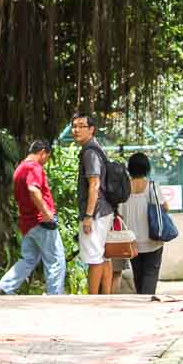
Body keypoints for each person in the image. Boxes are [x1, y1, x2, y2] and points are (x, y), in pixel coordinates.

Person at [0, 140, 65, 295]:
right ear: (43, 152)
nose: (46, 161)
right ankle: (55, 295)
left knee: (29, 259)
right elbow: (33, 189)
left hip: (27, 222)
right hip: (41, 221)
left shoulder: (19, 168)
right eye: (47, 157)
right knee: (56, 260)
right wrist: (46, 212)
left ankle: (4, 286)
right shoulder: (34, 167)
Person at [72, 113, 114, 295]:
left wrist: (88, 215)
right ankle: (106, 297)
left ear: (91, 129)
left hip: (96, 212)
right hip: (104, 210)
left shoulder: (90, 152)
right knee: (103, 256)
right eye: (74, 126)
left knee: (94, 257)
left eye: (81, 126)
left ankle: (93, 299)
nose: (75, 130)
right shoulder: (97, 149)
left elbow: (94, 184)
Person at [117, 152, 169, 295]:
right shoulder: (152, 186)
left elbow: (119, 213)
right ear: (146, 168)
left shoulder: (124, 188)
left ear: (130, 168)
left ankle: (140, 300)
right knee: (150, 274)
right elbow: (165, 207)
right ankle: (147, 302)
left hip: (132, 241)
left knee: (138, 275)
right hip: (153, 239)